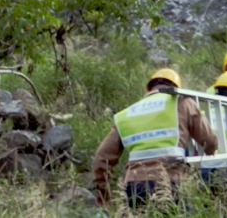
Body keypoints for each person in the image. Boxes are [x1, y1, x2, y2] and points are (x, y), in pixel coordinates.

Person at [92, 68, 218, 208]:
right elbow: (210, 140)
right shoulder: (182, 102)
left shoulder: (126, 114)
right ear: (175, 87)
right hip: (169, 180)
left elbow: (102, 158)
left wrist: (103, 191)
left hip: (135, 185)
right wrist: (208, 156)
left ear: (150, 88)